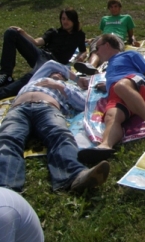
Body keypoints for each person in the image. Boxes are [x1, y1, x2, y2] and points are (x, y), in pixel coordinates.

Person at [0, 60, 109, 193]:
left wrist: (60, 87)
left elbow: (84, 105)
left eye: (61, 74)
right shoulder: (36, 79)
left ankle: (74, 176)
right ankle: (5, 187)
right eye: (55, 72)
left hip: (47, 108)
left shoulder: (68, 88)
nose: (57, 73)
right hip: (18, 109)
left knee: (60, 135)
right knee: (7, 139)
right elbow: (51, 64)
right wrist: (76, 78)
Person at [77, 34, 145, 165]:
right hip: (117, 92)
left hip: (135, 85)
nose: (96, 51)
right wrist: (106, 86)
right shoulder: (109, 65)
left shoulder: (130, 54)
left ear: (107, 45)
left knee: (120, 86)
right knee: (111, 117)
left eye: (97, 47)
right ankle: (106, 145)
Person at [0, 8, 87, 99]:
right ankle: (6, 74)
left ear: (74, 20)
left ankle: (2, 93)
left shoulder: (79, 35)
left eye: (68, 19)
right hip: (40, 54)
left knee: (30, 76)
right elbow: (37, 42)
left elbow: (83, 50)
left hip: (51, 63)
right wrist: (23, 33)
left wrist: (81, 57)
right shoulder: (54, 32)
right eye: (63, 19)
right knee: (11, 32)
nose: (65, 22)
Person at [74, 0, 139, 75]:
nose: (113, 9)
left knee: (115, 51)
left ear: (120, 7)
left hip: (117, 37)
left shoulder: (126, 18)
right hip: (103, 37)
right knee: (96, 49)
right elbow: (104, 33)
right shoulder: (104, 19)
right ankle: (91, 66)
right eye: (111, 7)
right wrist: (93, 39)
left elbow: (131, 34)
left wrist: (133, 40)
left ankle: (108, 68)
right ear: (109, 8)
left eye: (115, 6)